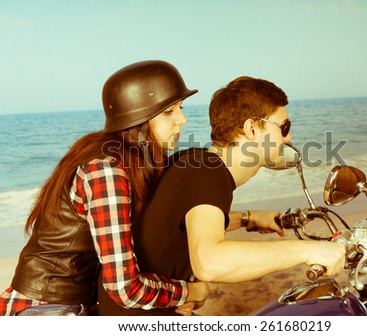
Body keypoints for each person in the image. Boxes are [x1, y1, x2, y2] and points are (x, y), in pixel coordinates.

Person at [98, 76, 346, 316]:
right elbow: (209, 262)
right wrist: (307, 251)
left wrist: (249, 219)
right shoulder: (207, 171)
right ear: (251, 128)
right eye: (284, 127)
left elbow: (184, 226)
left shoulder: (194, 162)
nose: (289, 137)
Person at [0, 60, 209, 316]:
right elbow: (124, 288)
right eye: (169, 112)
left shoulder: (136, 163)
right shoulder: (107, 169)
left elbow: (174, 221)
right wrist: (188, 291)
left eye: (180, 108)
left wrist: (247, 218)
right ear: (138, 118)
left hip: (77, 306)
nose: (183, 120)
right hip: (47, 310)